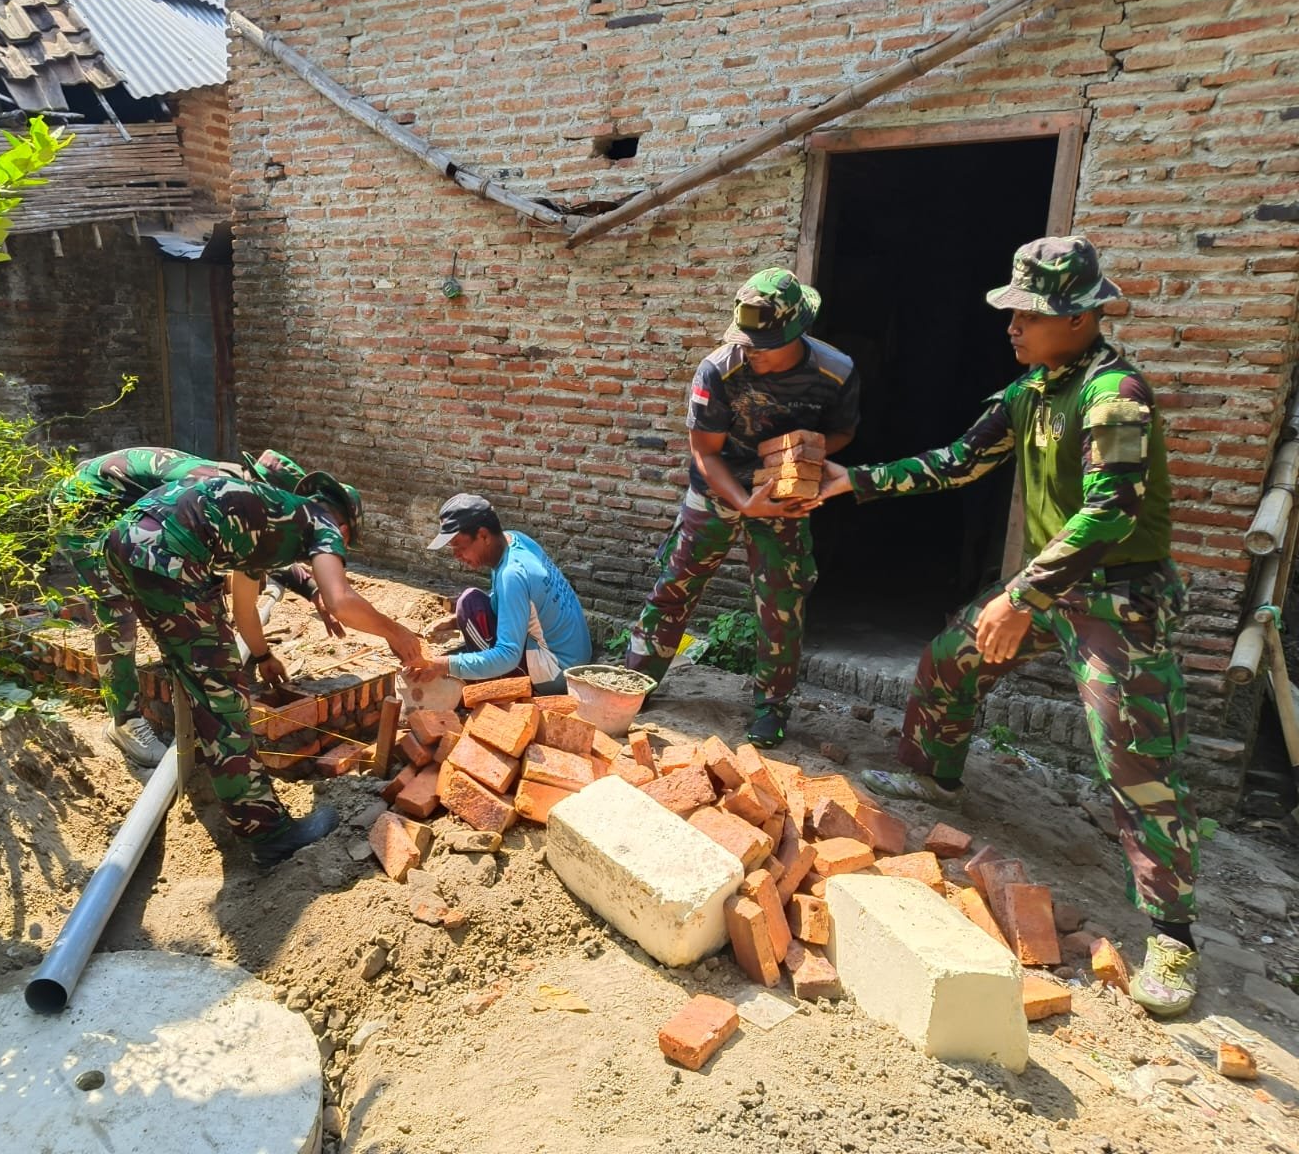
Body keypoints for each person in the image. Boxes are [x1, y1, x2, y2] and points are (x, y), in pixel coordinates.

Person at [817, 236, 1200, 1017]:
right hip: (1049, 586)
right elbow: (959, 461)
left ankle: (1173, 935)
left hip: (1118, 598)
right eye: (1014, 312)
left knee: (1135, 758)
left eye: (1028, 313)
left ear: (1079, 317)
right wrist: (850, 481)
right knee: (951, 659)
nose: (1012, 326)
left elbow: (1111, 509)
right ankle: (934, 774)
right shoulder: (1031, 391)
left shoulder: (1114, 393)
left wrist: (1020, 595)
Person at [103, 471, 426, 865]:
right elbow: (340, 600)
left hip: (125, 544)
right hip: (168, 555)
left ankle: (217, 774)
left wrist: (261, 656)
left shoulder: (265, 517)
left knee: (203, 673)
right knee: (223, 699)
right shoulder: (321, 523)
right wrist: (396, 632)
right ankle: (268, 833)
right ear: (343, 528)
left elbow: (243, 608)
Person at [624, 268, 859, 747]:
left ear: (797, 333)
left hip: (785, 495)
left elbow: (843, 431)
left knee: (782, 604)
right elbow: (705, 451)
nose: (751, 352)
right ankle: (637, 683)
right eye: (746, 341)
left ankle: (771, 708)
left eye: (764, 345)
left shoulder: (835, 373)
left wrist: (803, 452)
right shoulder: (718, 369)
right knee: (675, 586)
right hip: (718, 489)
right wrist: (743, 503)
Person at [52, 447, 338, 767]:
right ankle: (125, 721)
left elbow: (263, 545)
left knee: (195, 595)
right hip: (85, 511)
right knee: (118, 609)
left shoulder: (244, 493)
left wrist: (312, 588)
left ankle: (194, 696)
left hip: (128, 511)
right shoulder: (215, 485)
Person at [410, 494, 591, 695]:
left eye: (459, 547)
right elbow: (505, 604)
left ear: (484, 536)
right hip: (577, 657)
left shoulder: (512, 575)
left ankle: (497, 686)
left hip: (557, 675)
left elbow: (507, 656)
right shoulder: (515, 540)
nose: (457, 556)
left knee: (469, 605)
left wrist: (442, 664)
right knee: (472, 605)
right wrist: (454, 622)